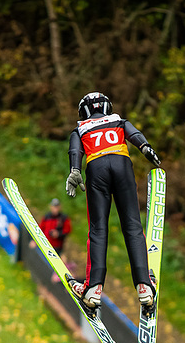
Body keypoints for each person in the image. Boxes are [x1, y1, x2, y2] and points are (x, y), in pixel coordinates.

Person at [65, 91, 161, 312]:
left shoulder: (80, 127)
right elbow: (135, 135)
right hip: (121, 165)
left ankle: (93, 289)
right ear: (106, 106)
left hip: (97, 168)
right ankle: (145, 287)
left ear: (84, 111)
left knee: (98, 229)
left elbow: (75, 149)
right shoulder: (117, 119)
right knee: (133, 227)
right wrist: (147, 148)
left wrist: (74, 171)